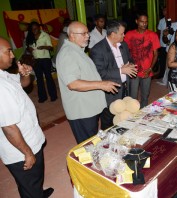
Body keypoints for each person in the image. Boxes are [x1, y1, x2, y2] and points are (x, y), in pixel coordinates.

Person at [0, 36, 54, 198]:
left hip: (29, 139)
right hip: (21, 150)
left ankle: (36, 192)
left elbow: (23, 84)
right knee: (30, 183)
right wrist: (27, 153)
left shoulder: (3, 75)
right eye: (8, 51)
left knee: (31, 182)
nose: (12, 55)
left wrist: (25, 74)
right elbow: (9, 127)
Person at [56, 21, 120, 143]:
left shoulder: (77, 50)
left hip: (88, 107)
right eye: (83, 33)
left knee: (92, 140)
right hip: (81, 110)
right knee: (87, 145)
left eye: (87, 33)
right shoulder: (68, 54)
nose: (88, 36)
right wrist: (102, 84)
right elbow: (73, 84)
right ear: (72, 35)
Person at [90, 20, 137, 129]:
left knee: (124, 116)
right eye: (122, 33)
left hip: (125, 87)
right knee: (109, 121)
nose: (124, 35)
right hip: (111, 91)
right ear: (113, 34)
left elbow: (130, 59)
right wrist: (121, 71)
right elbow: (99, 73)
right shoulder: (98, 49)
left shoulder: (123, 45)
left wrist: (131, 66)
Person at [124, 11, 160, 108]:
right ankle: (132, 115)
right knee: (132, 96)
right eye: (142, 21)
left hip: (147, 71)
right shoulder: (129, 34)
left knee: (145, 95)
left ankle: (143, 113)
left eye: (146, 22)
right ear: (136, 21)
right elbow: (125, 52)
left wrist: (150, 68)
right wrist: (128, 66)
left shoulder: (153, 35)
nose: (144, 24)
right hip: (133, 70)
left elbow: (156, 54)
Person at [26, 21, 57, 103]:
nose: (34, 30)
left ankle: (53, 96)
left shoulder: (45, 35)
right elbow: (28, 47)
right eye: (32, 29)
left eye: (35, 28)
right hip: (36, 61)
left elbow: (50, 47)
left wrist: (43, 47)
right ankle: (43, 97)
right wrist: (30, 49)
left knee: (48, 77)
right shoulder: (30, 36)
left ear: (39, 27)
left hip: (45, 60)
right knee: (39, 79)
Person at [156, 7, 168, 79]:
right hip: (162, 44)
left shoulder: (172, 21)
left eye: (166, 10)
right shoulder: (161, 21)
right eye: (164, 11)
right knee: (162, 60)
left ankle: (167, 74)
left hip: (170, 44)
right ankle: (162, 74)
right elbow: (159, 30)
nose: (165, 12)